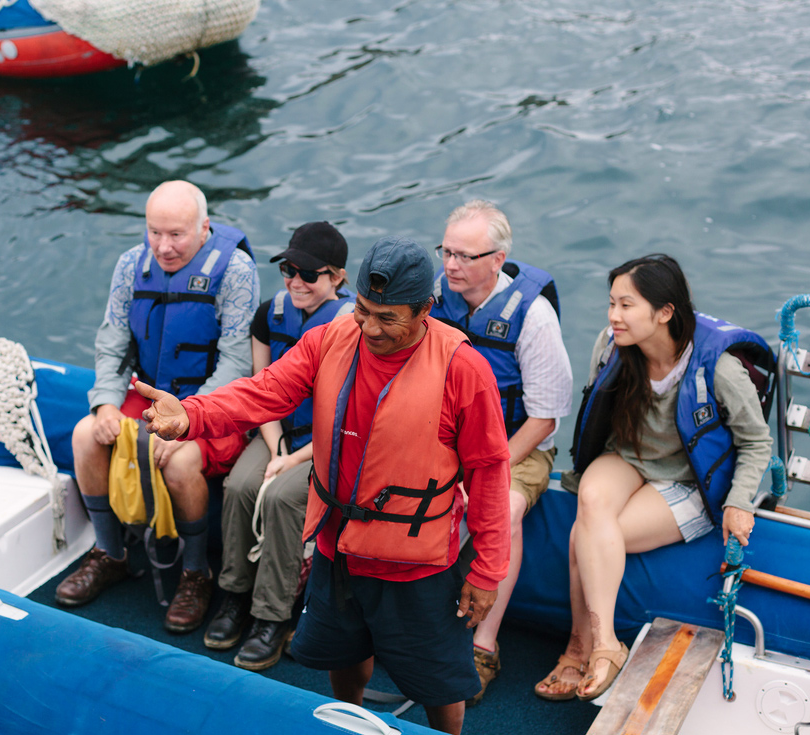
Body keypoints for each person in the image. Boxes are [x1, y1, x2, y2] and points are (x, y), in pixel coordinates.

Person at [135, 236, 511, 735]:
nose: (370, 328)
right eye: (363, 310)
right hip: (338, 549)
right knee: (342, 655)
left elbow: (489, 472)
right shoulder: (331, 338)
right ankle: (348, 725)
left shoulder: (464, 369)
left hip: (416, 565)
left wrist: (487, 571)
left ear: (425, 309)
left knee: (440, 685)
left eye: (387, 318)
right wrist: (191, 414)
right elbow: (266, 391)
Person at [534, 254, 773, 702]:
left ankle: (579, 647)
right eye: (612, 303)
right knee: (591, 500)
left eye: (627, 305)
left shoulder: (718, 368)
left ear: (665, 312)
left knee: (585, 538)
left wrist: (739, 501)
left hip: (687, 480)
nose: (613, 316)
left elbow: (757, 442)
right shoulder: (611, 346)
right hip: (627, 457)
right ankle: (606, 645)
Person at [55, 180, 260, 635]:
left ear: (204, 228)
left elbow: (236, 362)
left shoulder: (236, 270)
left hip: (211, 403)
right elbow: (113, 343)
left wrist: (188, 418)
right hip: (149, 393)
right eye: (154, 233)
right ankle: (110, 554)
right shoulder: (131, 265)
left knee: (181, 461)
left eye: (176, 235)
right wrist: (105, 404)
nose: (163, 247)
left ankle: (195, 573)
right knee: (86, 435)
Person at [428, 200, 573, 705]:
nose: (451, 266)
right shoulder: (436, 299)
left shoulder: (534, 317)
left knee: (501, 510)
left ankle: (482, 646)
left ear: (498, 259)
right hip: (449, 436)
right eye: (446, 252)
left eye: (465, 256)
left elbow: (545, 418)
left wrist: (485, 471)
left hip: (518, 447)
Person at [203, 222, 355, 671]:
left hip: (328, 443)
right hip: (278, 432)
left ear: (337, 277)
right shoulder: (268, 315)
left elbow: (347, 416)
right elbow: (261, 391)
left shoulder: (351, 327)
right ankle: (234, 594)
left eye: (308, 274)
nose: (295, 281)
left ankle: (272, 615)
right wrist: (275, 452)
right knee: (240, 486)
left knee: (284, 497)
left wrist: (292, 461)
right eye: (289, 270)